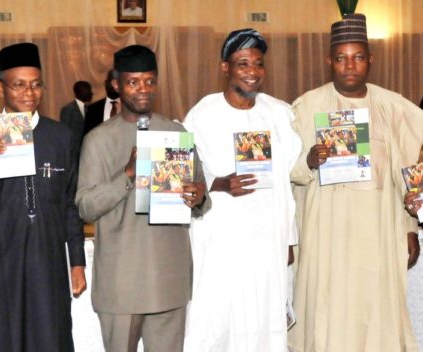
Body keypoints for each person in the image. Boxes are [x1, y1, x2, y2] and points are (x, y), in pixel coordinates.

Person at [288, 14, 423, 351]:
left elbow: (409, 173)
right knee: (326, 312)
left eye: (358, 57)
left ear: (370, 60)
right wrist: (308, 161)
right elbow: (286, 173)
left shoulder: (393, 107)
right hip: (325, 235)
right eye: (341, 58)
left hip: (377, 234)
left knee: (375, 314)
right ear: (329, 61)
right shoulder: (307, 107)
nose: (350, 66)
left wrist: (409, 226)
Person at [76, 44, 207, 352]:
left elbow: (200, 195)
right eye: (133, 82)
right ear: (116, 84)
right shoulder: (98, 140)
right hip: (122, 282)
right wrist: (128, 174)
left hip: (169, 277)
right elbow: (85, 206)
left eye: (149, 80)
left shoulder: (175, 133)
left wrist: (199, 195)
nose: (143, 89)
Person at [182, 29, 301, 351]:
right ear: (225, 68)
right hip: (221, 242)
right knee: (218, 320)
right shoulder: (202, 115)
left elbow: (289, 180)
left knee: (265, 318)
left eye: (258, 64)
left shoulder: (279, 113)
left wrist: (289, 238)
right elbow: (182, 176)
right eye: (243, 63)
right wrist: (218, 183)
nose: (252, 72)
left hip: (268, 241)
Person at [0, 42, 86, 352]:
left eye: (36, 85)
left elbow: (69, 203)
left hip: (46, 260)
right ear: (0, 87)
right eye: (19, 85)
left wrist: (76, 261)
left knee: (50, 336)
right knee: (0, 337)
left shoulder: (61, 136)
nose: (29, 93)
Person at [59, 80, 93, 158]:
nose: (91, 93)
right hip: (74, 153)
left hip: (89, 152)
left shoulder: (91, 109)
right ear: (78, 92)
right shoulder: (68, 109)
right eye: (88, 90)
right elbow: (64, 133)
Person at [84, 69, 120, 134]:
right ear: (105, 83)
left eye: (117, 82)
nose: (113, 86)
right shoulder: (93, 109)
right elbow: (87, 137)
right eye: (110, 82)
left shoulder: (133, 108)